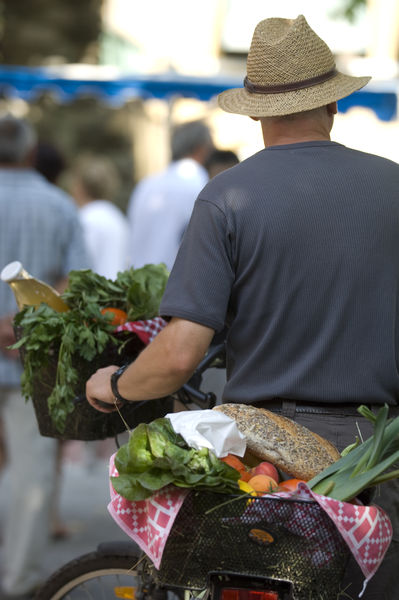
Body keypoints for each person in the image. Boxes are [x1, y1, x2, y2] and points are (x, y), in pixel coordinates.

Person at [85, 15, 399, 599]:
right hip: (379, 461)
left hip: (267, 466)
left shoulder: (229, 196)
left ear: (255, 112)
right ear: (332, 103)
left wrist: (118, 383)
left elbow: (180, 355)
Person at [0, 114, 89, 599]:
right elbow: (77, 283)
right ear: (31, 153)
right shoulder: (58, 205)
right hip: (33, 363)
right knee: (32, 479)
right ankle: (18, 584)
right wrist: (23, 322)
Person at [127, 119, 214, 271]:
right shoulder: (199, 184)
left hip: (137, 283)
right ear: (201, 149)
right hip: (174, 284)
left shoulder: (146, 184)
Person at [70, 155, 130, 280]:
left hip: (95, 294)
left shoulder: (85, 218)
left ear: (81, 187)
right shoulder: (117, 216)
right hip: (118, 292)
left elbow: (80, 266)